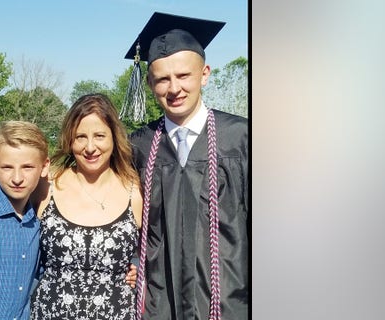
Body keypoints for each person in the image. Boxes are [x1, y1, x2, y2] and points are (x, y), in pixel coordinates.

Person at [125, 12, 249, 320]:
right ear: (151, 83)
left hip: (229, 303)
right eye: (163, 79)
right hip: (158, 304)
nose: (174, 88)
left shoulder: (242, 138)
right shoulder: (138, 145)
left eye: (184, 76)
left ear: (205, 74)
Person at [30, 93, 143, 319]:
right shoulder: (46, 185)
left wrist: (142, 273)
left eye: (99, 135)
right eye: (80, 137)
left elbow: (157, 251)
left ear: (114, 138)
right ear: (70, 141)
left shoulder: (135, 190)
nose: (90, 147)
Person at [0, 121, 50, 320]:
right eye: (7, 167)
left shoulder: (38, 222)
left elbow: (51, 268)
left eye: (27, 167)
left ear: (44, 166)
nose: (17, 178)